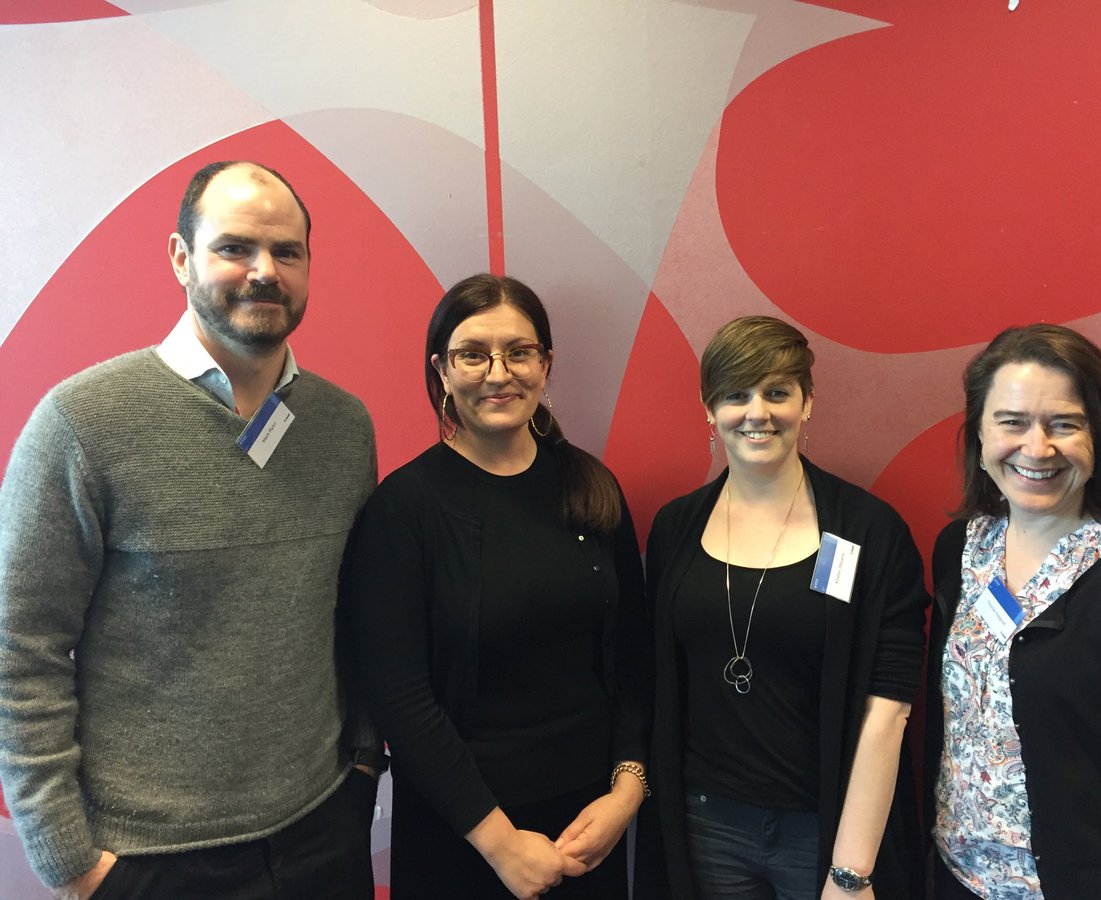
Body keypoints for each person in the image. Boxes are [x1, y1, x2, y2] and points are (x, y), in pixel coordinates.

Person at [0, 161, 383, 900]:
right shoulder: (82, 424)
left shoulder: (343, 426)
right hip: (150, 860)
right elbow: (20, 648)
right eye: (235, 247)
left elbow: (359, 610)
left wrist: (363, 759)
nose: (264, 272)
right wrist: (70, 862)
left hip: (323, 832)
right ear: (182, 258)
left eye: (287, 252)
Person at [340, 273, 650, 900]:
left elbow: (633, 658)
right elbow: (400, 695)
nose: (498, 372)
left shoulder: (591, 487)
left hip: (591, 831)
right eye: (473, 354)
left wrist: (627, 789)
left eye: (520, 351)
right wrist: (499, 841)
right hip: (463, 834)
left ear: (546, 363)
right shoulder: (405, 508)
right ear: (442, 370)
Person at [637, 315, 927, 900]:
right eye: (736, 394)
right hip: (705, 824)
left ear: (808, 400)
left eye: (777, 392)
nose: (757, 413)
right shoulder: (675, 528)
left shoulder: (867, 531)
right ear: (709, 406)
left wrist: (851, 872)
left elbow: (888, 710)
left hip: (822, 830)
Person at [926, 323, 1101, 899]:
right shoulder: (961, 549)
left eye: (1064, 424)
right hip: (955, 877)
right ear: (979, 431)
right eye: (1012, 422)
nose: (1036, 448)